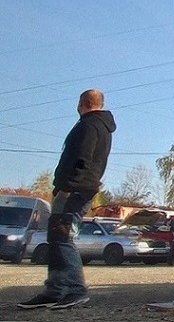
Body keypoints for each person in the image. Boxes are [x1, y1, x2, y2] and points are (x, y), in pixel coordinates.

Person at [18, 89, 115, 310]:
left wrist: (67, 185)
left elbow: (81, 158)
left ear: (83, 103)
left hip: (74, 189)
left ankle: (75, 290)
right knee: (57, 237)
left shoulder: (89, 125)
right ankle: (55, 290)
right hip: (80, 187)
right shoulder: (101, 126)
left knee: (62, 236)